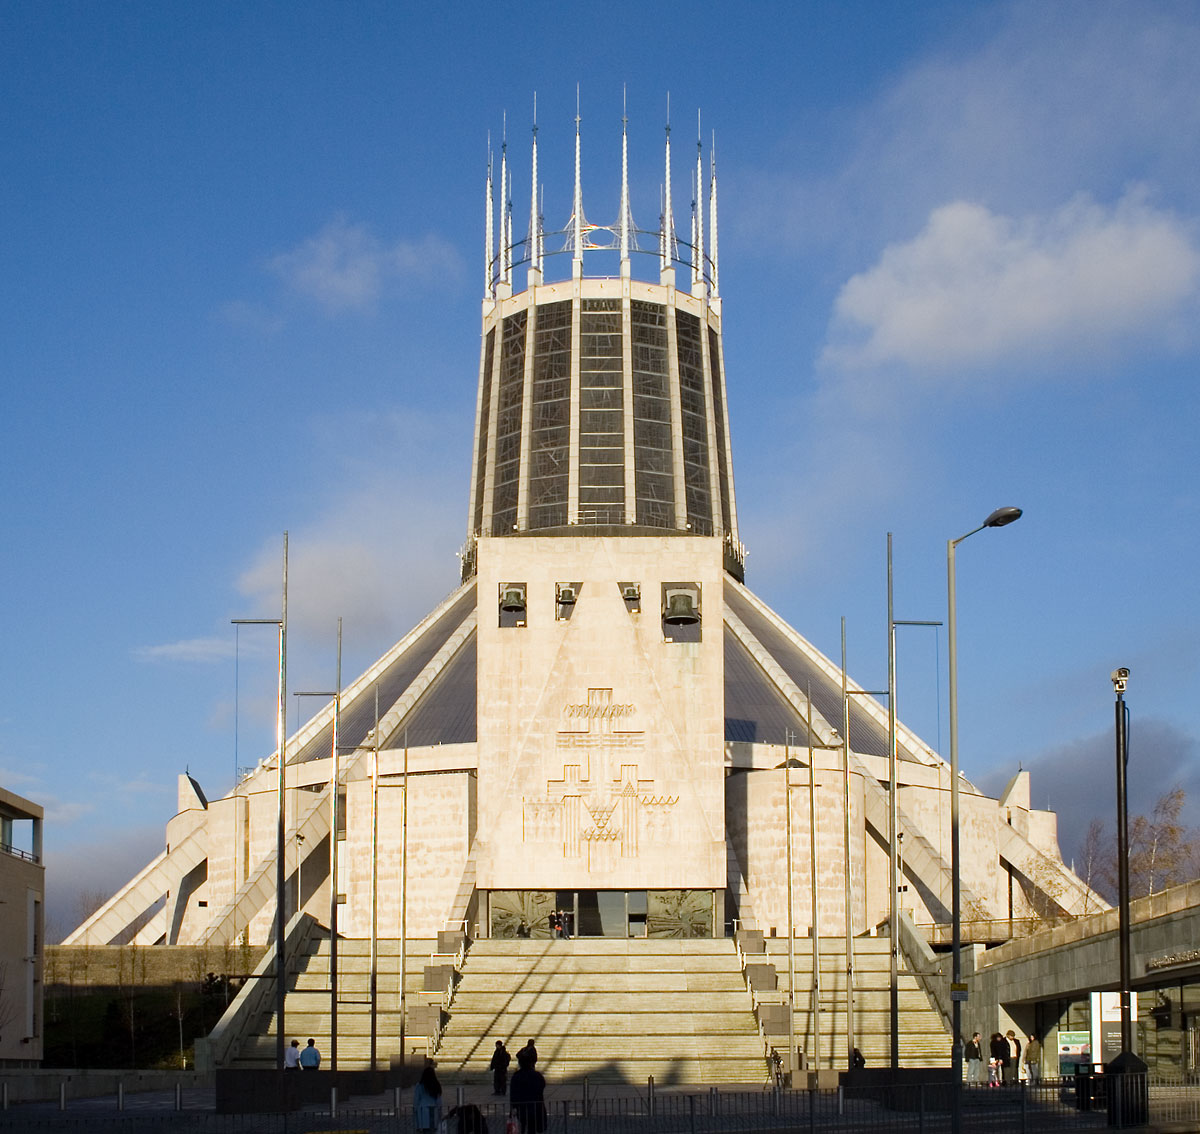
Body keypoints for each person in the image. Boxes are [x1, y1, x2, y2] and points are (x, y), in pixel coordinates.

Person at [509, 1045, 546, 1134]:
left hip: (521, 1108)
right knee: (532, 1129)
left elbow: (513, 1093)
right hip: (534, 1107)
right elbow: (542, 1086)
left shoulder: (517, 1076)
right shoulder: (537, 1075)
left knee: (521, 1128)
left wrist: (513, 1107)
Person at [413, 1060, 443, 1133]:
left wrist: (415, 1111)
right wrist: (440, 1113)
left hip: (422, 1111)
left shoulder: (419, 1086)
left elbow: (416, 1100)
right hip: (434, 1109)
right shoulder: (436, 1085)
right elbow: (439, 1101)